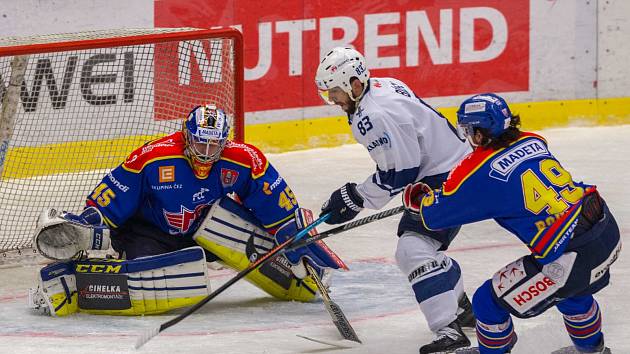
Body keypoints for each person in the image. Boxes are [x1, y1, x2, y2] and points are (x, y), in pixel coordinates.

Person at [29, 104, 344, 317]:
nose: (206, 154)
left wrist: (293, 240)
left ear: (224, 140)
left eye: (214, 145)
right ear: (185, 135)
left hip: (202, 230)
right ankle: (75, 278)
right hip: (148, 234)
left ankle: (304, 274)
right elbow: (110, 198)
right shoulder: (152, 158)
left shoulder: (243, 159)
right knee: (167, 282)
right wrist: (89, 226)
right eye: (199, 143)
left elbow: (275, 205)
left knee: (236, 226)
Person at [403, 93, 619, 354]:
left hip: (571, 255)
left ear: (480, 133)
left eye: (470, 130)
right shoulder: (533, 140)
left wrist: (419, 200)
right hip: (604, 229)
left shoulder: (480, 170)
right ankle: (593, 351)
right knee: (574, 292)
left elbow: (437, 215)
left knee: (486, 302)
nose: (469, 137)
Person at [315, 47, 475, 353]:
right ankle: (461, 307)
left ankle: (450, 334)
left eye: (335, 92)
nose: (333, 100)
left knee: (414, 250)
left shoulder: (375, 114)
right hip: (452, 167)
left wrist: (353, 198)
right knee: (417, 249)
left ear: (355, 84)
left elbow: (399, 173)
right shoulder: (382, 84)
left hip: (448, 179)